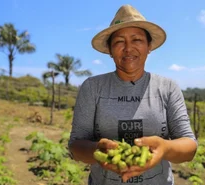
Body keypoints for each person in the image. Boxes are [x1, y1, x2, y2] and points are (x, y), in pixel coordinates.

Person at [68, 4, 197, 185]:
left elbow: (189, 146)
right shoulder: (92, 87)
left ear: (149, 46)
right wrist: (98, 150)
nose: (128, 48)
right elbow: (75, 146)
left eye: (136, 40)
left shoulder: (167, 87)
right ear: (110, 51)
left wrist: (165, 148)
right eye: (119, 42)